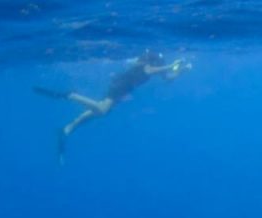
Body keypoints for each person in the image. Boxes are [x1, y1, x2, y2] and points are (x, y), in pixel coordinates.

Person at [34, 49, 191, 163]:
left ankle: (68, 127)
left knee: (100, 110)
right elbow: (154, 69)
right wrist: (171, 65)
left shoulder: (153, 67)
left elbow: (168, 79)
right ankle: (71, 95)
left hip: (123, 88)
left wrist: (181, 71)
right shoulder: (146, 66)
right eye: (160, 62)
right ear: (154, 60)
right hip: (121, 86)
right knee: (102, 111)